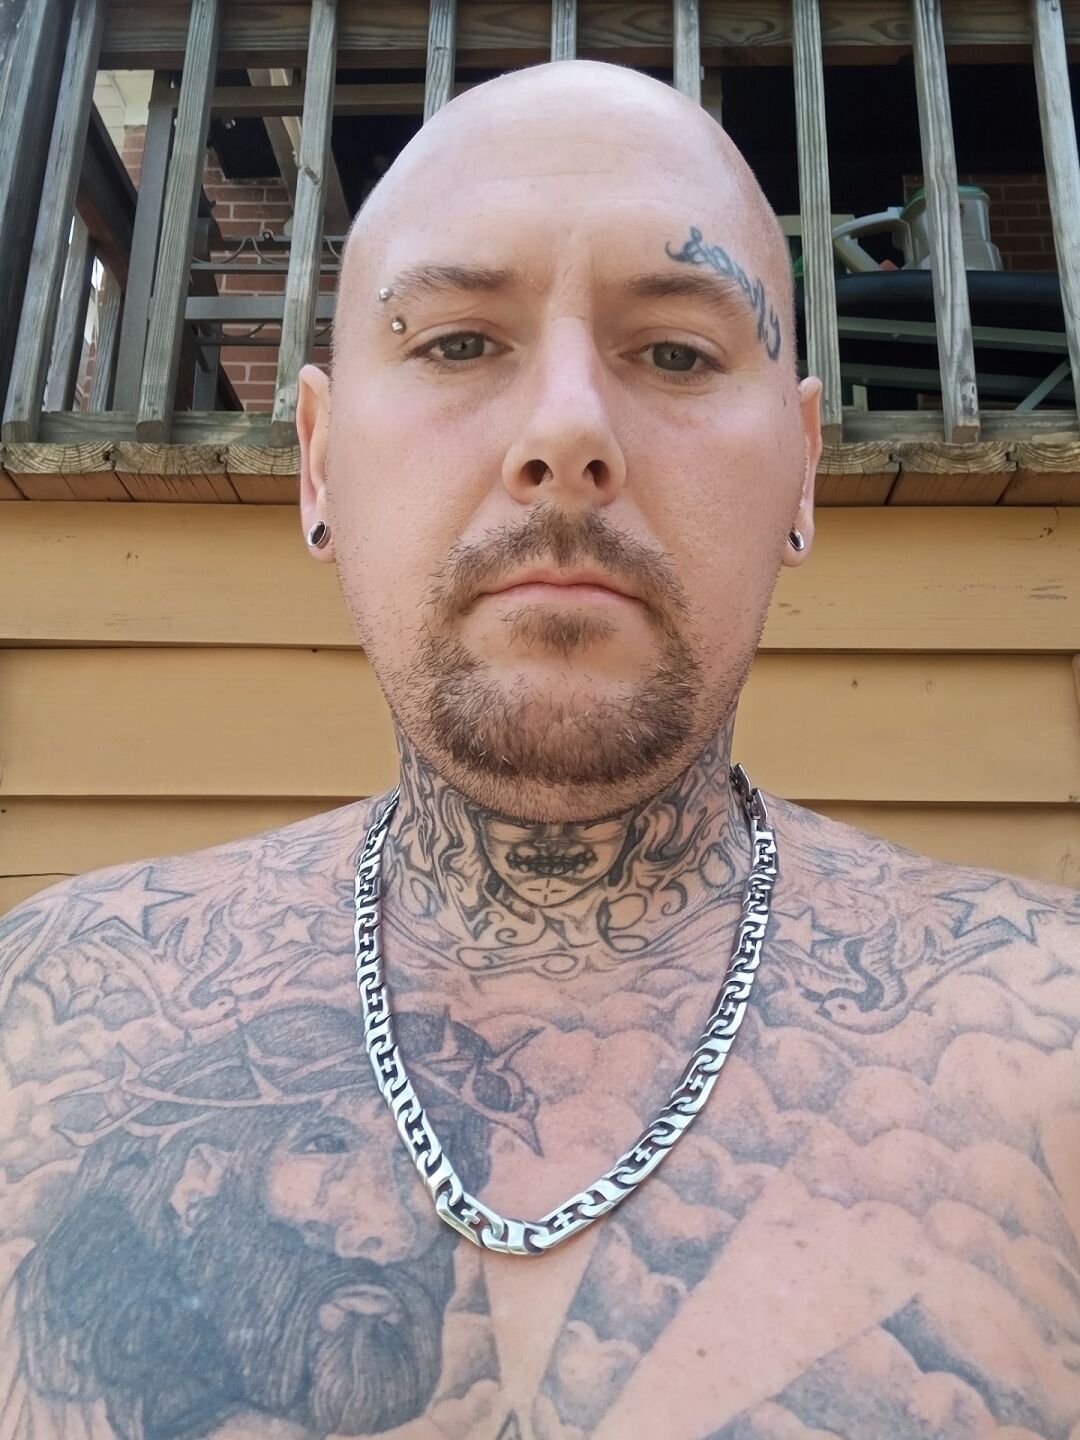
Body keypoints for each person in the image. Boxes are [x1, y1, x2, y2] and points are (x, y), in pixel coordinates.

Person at [1, 56, 1078, 1440]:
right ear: (319, 462)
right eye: (458, 343)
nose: (567, 432)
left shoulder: (1050, 1048)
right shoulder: (42, 1022)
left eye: (676, 353)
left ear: (802, 471)